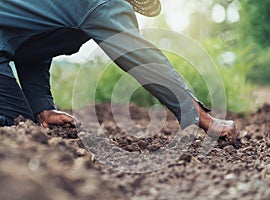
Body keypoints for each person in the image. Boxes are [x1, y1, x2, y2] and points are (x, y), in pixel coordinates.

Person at [0, 0, 237, 143]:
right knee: (14, 126)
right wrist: (203, 118)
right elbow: (143, 60)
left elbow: (32, 48)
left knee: (25, 125)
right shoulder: (103, 3)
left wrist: (42, 108)